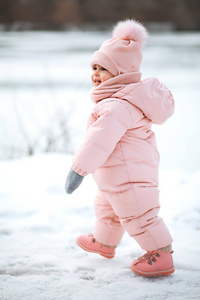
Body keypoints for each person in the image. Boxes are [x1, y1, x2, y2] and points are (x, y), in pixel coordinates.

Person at [65, 19, 175, 277]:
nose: (95, 73)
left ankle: (162, 254)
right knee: (107, 207)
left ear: (122, 73)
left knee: (139, 215)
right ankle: (105, 242)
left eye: (103, 68)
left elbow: (98, 141)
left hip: (128, 175)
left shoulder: (117, 106)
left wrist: (78, 170)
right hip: (117, 174)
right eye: (94, 66)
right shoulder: (119, 100)